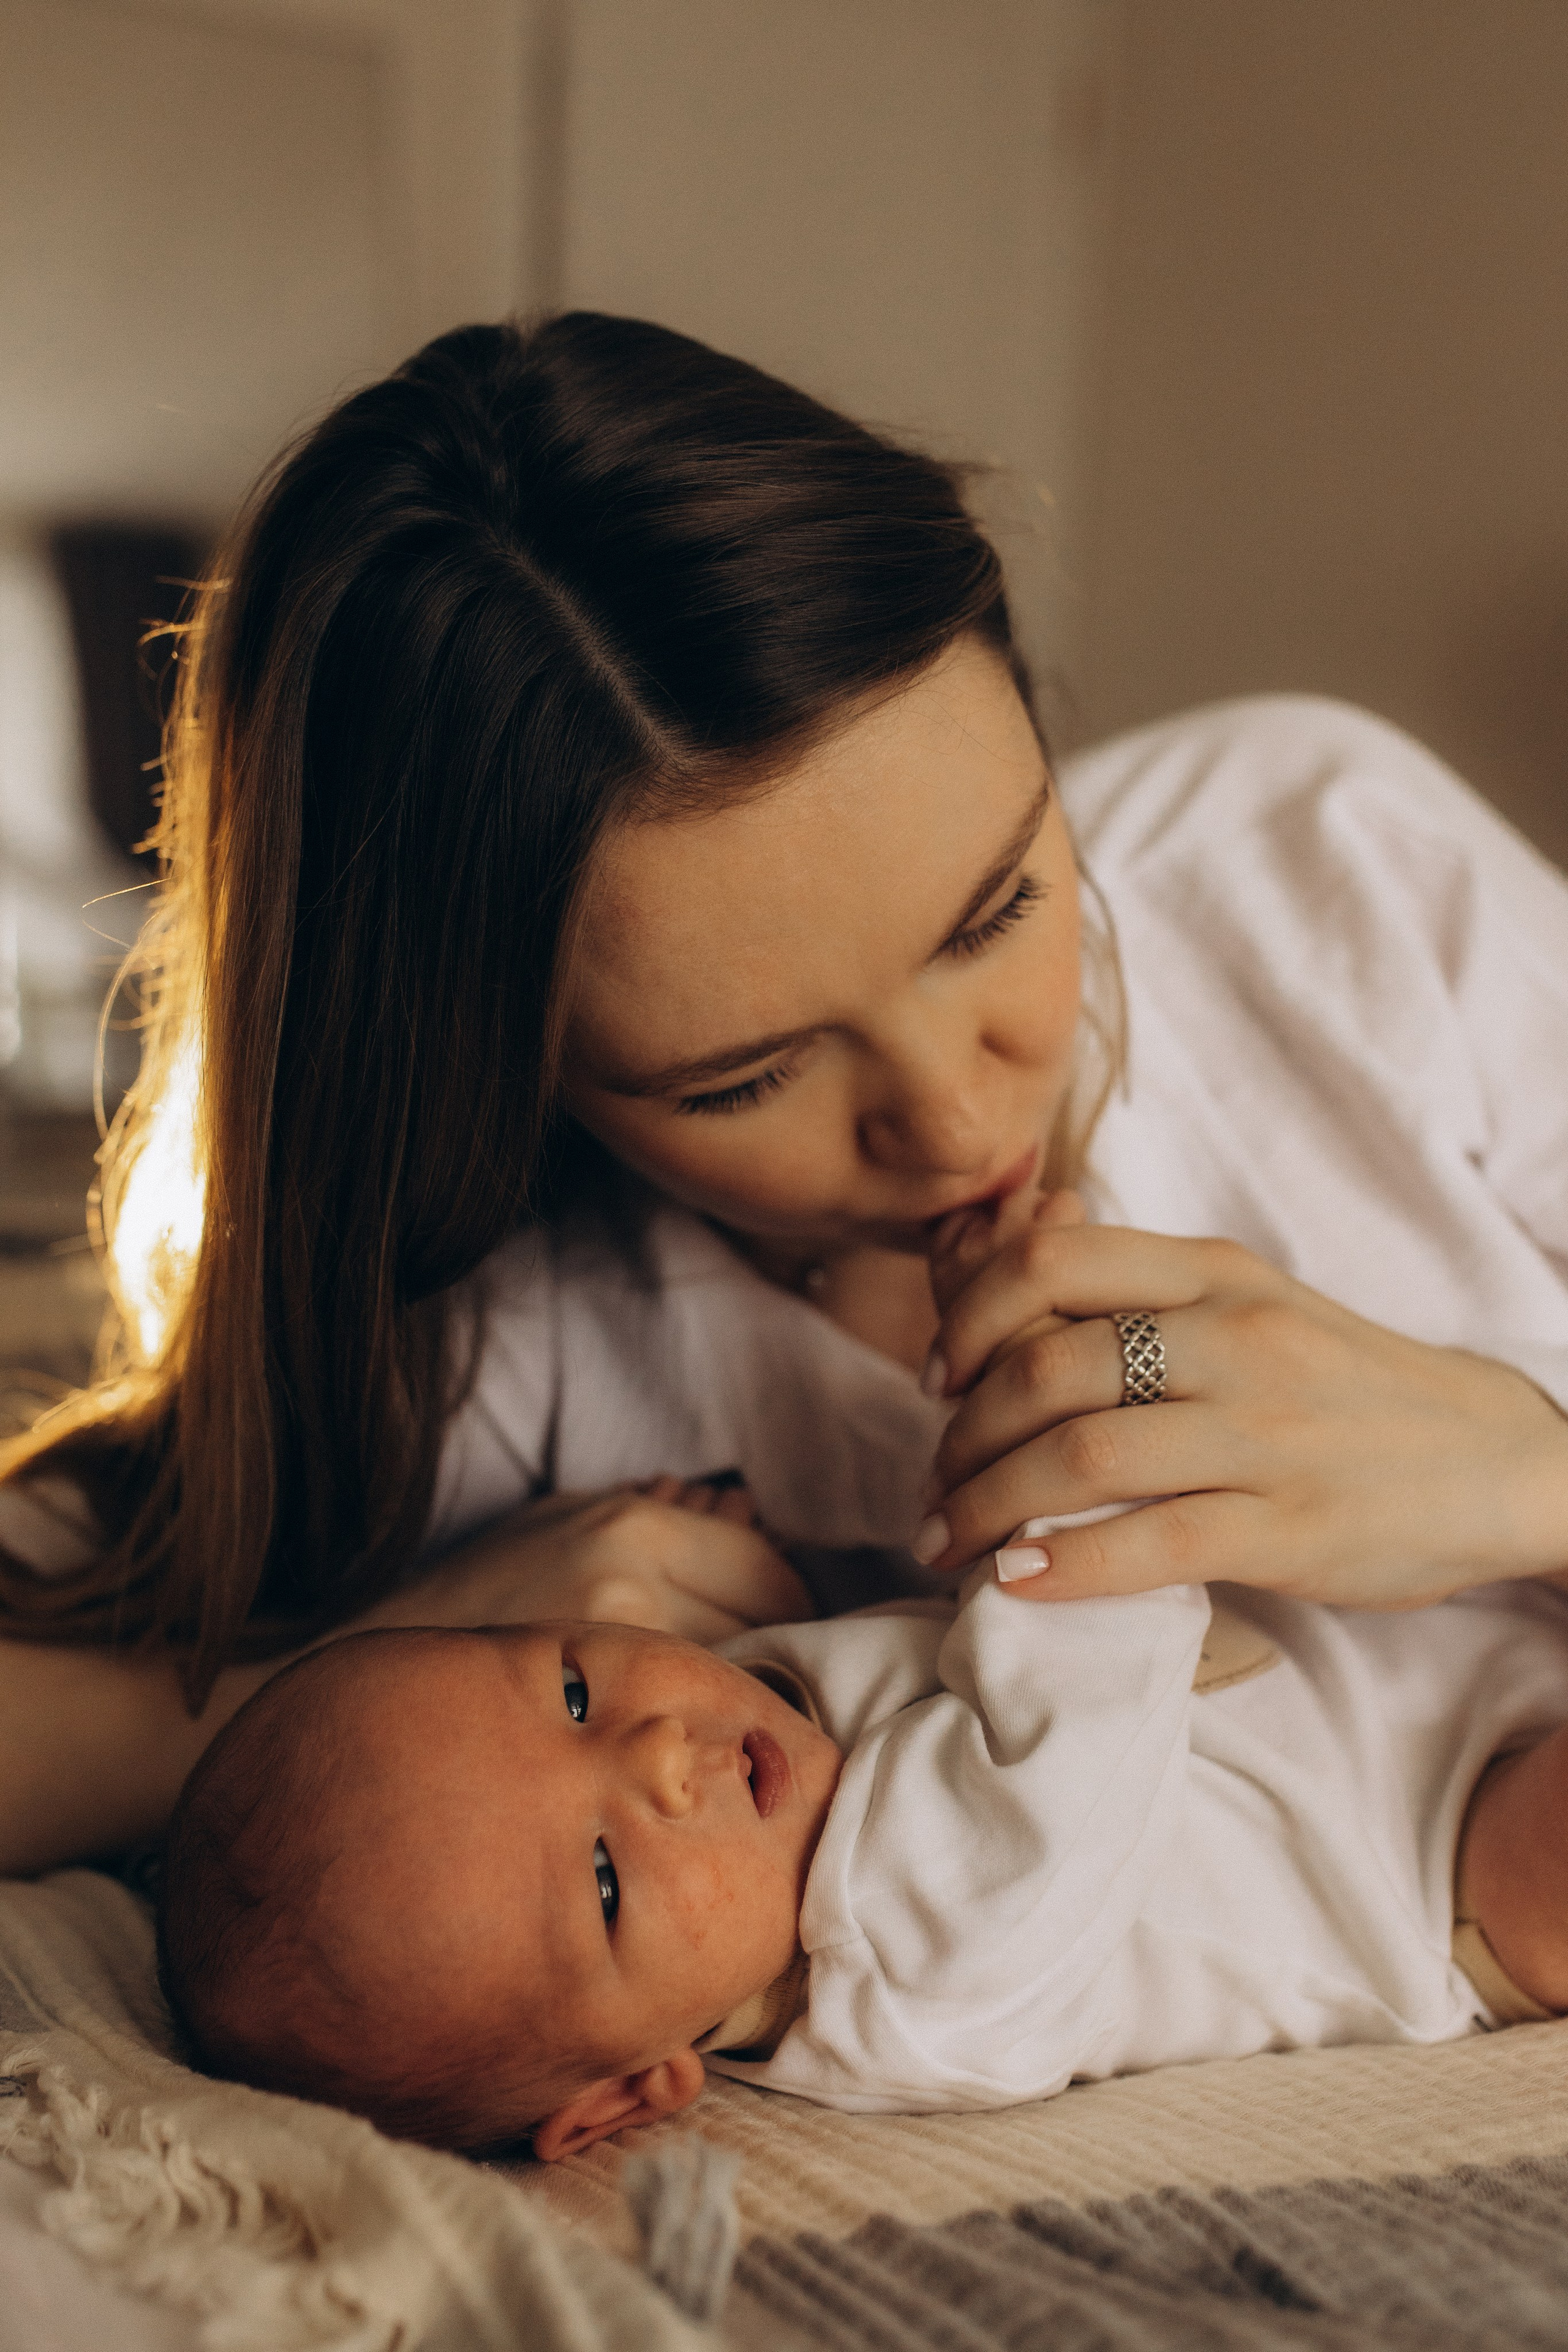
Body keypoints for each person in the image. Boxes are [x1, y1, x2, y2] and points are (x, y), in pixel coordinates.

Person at [3, 312, 1567, 1875]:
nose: (953, 1124)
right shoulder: (480, 1346)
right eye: (743, 1077)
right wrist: (379, 1660)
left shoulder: (1319, 861)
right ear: (507, 1075)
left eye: (995, 915)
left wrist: (1519, 1468)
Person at [154, 1526, 1568, 2158]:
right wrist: (1079, 1413)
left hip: (1436, 1671)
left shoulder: (763, 1766)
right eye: (601, 1880)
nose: (651, 1756)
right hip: (1442, 1871)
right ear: (635, 2091)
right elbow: (1088, 1657)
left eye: (575, 1691)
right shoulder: (901, 1963)